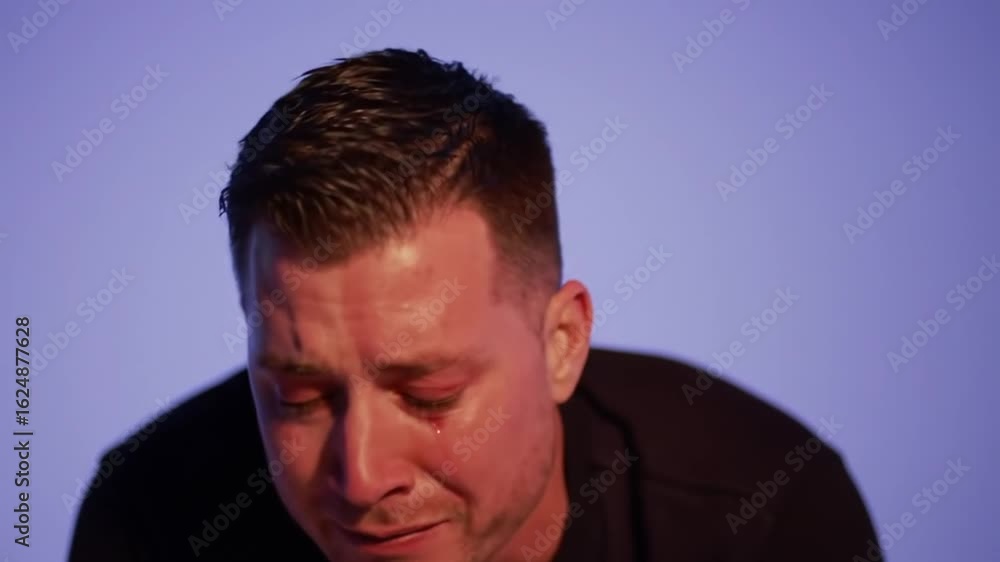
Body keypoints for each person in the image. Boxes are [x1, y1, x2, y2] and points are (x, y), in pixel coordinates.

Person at [68, 48, 882, 562]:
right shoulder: (150, 519)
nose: (362, 477)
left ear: (561, 343)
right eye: (299, 397)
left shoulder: (758, 512)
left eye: (430, 394)